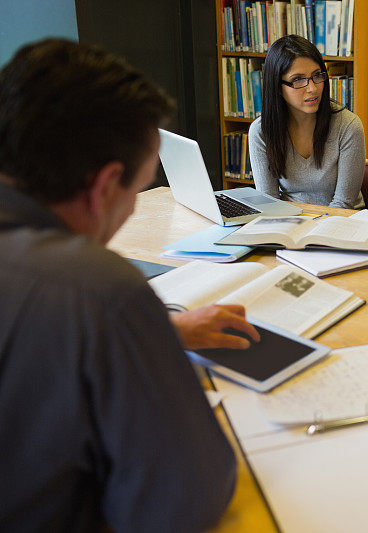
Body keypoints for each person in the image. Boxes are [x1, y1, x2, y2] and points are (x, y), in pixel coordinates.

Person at [0, 39, 258, 531]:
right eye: (137, 191)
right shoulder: (98, 290)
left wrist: (163, 332)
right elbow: (184, 499)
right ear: (103, 187)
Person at [249, 35, 366, 209]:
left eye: (317, 76)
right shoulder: (261, 131)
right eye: (298, 79)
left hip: (341, 223)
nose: (312, 88)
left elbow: (344, 204)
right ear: (277, 86)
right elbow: (269, 203)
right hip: (290, 222)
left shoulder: (348, 126)